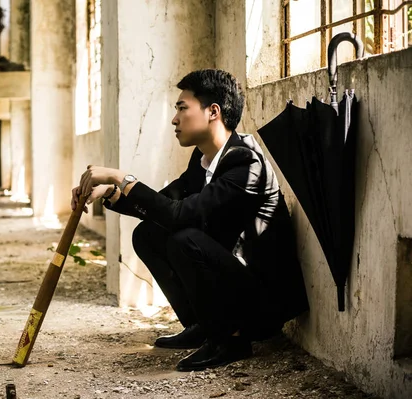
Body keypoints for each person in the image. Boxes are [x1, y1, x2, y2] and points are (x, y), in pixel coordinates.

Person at [71, 69, 309, 371]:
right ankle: (203, 326)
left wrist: (121, 176)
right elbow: (163, 206)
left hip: (264, 305)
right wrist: (112, 192)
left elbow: (178, 215)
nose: (174, 119)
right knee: (148, 234)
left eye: (182, 108)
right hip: (237, 285)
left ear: (213, 112)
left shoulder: (245, 162)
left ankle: (231, 339)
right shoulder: (204, 160)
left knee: (185, 239)